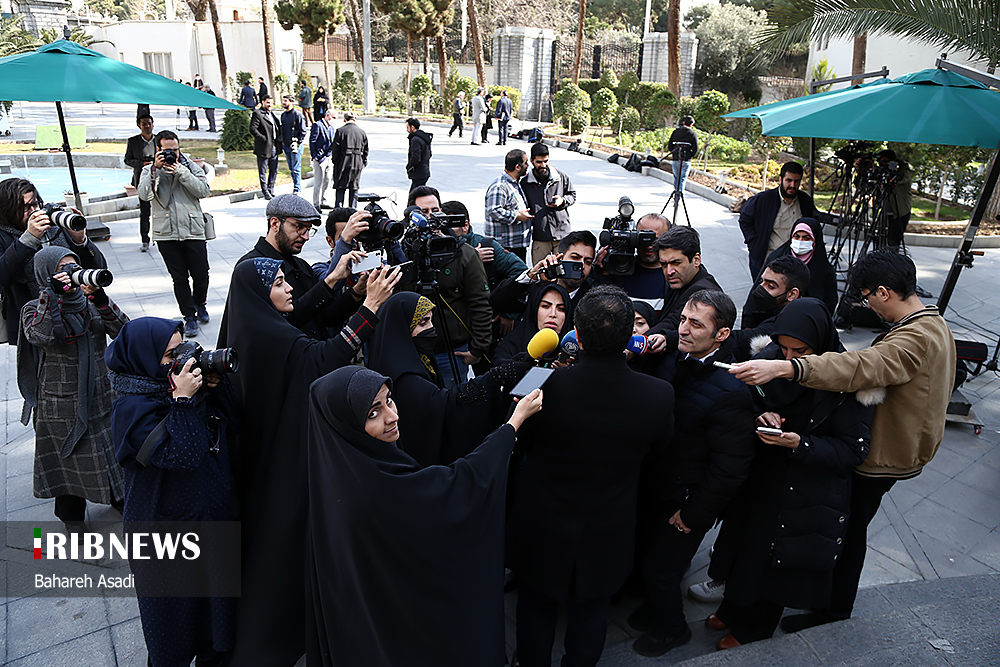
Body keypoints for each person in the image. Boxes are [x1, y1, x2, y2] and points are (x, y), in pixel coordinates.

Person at [731, 249, 956, 632]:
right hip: (904, 451)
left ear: (883, 292)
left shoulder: (914, 337)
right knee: (850, 532)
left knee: (845, 535)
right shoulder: (932, 322)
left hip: (882, 458)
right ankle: (831, 606)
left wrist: (788, 367)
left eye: (867, 297)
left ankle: (831, 612)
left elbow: (863, 367)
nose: (868, 306)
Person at [304, 366, 542, 667]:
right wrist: (513, 424)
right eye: (373, 413)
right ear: (346, 423)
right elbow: (456, 489)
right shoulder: (373, 488)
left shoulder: (339, 470)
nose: (392, 416)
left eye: (389, 400)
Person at [226, 257, 400, 666]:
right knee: (282, 545)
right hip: (282, 460)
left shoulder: (254, 324)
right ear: (259, 293)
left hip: (264, 451)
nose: (289, 288)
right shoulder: (267, 334)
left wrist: (346, 289)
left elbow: (301, 319)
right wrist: (371, 306)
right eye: (279, 283)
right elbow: (322, 359)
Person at [509, 285, 675, 667]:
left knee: (535, 607)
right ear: (629, 337)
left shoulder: (543, 385)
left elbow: (516, 439)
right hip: (608, 528)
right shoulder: (659, 395)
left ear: (577, 337)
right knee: (591, 613)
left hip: (542, 523)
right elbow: (659, 448)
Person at [705, 298, 872, 649]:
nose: (790, 358)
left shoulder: (846, 383)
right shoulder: (772, 358)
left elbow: (852, 450)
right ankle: (732, 608)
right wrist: (760, 414)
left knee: (774, 562)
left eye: (801, 351)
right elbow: (749, 396)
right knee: (745, 548)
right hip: (762, 477)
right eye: (784, 348)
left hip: (803, 489)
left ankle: (753, 629)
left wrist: (800, 444)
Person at [105, 317, 238, 667]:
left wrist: (215, 386)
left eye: (182, 349)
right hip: (164, 534)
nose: (180, 360)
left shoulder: (183, 391)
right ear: (143, 358)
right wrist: (182, 401)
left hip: (208, 523)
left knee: (214, 615)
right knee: (172, 626)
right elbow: (184, 456)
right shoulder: (131, 411)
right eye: (169, 355)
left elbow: (235, 423)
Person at [630, 290, 755, 658]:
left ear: (721, 334)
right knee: (649, 560)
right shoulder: (672, 355)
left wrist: (693, 515)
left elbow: (730, 468)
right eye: (683, 319)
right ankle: (655, 608)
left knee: (662, 570)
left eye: (696, 324)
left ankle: (673, 629)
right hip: (658, 484)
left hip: (686, 498)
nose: (683, 329)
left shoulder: (731, 390)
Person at [17, 247, 127, 531]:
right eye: (62, 268)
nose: (70, 273)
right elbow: (40, 336)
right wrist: (51, 296)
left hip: (101, 391)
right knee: (69, 458)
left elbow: (124, 331)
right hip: (61, 399)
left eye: (73, 266)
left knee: (109, 450)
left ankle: (119, 498)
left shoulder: (89, 302)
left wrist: (101, 300)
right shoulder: (34, 307)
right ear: (46, 274)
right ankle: (72, 519)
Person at [366, 291, 530, 467]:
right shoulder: (402, 374)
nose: (431, 328)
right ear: (402, 326)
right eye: (423, 322)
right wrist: (494, 377)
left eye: (431, 321)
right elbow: (441, 405)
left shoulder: (418, 357)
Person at [218, 194, 371, 343]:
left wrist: (357, 292)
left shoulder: (301, 266)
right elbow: (281, 323)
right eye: (299, 227)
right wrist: (331, 279)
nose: (306, 237)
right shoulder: (251, 268)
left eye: (308, 229)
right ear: (275, 224)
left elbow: (325, 318)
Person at [1, 178, 107, 347]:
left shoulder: (54, 227)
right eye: (25, 207)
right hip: (36, 324)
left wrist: (81, 241)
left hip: (78, 313)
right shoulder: (3, 236)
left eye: (35, 204)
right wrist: (29, 238)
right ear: (7, 209)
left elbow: (99, 269)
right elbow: (3, 275)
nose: (34, 211)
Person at [407, 186, 493, 386]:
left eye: (435, 210)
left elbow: (481, 304)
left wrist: (478, 349)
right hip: (411, 351)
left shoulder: (464, 253)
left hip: (450, 353)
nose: (430, 217)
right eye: (424, 212)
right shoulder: (405, 251)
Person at [138, 130, 211, 338]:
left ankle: (200, 303)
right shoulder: (149, 170)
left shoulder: (189, 166)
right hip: (166, 233)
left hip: (193, 229)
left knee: (201, 274)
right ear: (158, 150)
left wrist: (181, 172)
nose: (172, 154)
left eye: (175, 149)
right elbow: (144, 195)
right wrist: (155, 170)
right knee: (179, 278)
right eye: (167, 150)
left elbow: (204, 190)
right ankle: (189, 316)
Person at [489, 230, 596, 324]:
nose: (581, 266)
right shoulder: (538, 287)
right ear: (559, 257)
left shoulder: (592, 299)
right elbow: (496, 302)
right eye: (575, 258)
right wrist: (531, 275)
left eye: (588, 262)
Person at [645, 226, 723, 351]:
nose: (669, 272)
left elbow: (672, 322)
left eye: (676, 263)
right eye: (664, 264)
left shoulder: (704, 291)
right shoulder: (682, 280)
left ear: (696, 260)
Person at [739, 161, 816, 279]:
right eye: (788, 180)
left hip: (795, 262)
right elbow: (745, 219)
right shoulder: (763, 199)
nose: (792, 185)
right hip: (768, 260)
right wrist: (753, 242)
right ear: (780, 180)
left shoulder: (805, 201)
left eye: (796, 181)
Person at [761, 217, 837, 314]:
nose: (800, 241)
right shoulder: (776, 258)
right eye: (796, 237)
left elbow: (830, 302)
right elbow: (760, 291)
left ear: (815, 240)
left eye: (806, 238)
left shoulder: (824, 268)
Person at [597, 212, 670, 311]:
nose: (649, 246)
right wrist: (601, 273)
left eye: (655, 239)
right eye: (643, 238)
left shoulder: (673, 276)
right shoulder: (619, 269)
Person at [521, 142, 576, 265]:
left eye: (546, 161)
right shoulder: (525, 182)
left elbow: (572, 195)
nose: (543, 165)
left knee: (564, 270)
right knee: (539, 271)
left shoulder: (561, 177)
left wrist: (562, 201)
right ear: (532, 161)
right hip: (540, 236)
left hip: (562, 235)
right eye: (539, 162)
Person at [492, 282, 573, 365]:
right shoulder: (512, 344)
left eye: (561, 309)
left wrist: (567, 371)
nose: (553, 314)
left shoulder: (574, 349)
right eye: (545, 306)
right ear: (534, 310)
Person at [485, 149, 532, 260]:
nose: (528, 166)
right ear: (517, 167)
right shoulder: (500, 186)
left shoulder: (515, 183)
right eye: (525, 163)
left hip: (516, 245)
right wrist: (517, 216)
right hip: (504, 247)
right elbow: (493, 210)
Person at [124, 114, 157, 252]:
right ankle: (145, 239)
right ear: (139, 125)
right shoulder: (133, 141)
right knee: (145, 212)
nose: (147, 126)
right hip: (143, 180)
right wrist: (142, 164)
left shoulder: (159, 140)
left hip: (160, 179)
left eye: (149, 123)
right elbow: (127, 159)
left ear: (153, 124)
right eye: (144, 124)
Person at [332, 111, 368, 208]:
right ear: (355, 120)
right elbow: (366, 149)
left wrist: (335, 161)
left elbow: (335, 149)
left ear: (345, 119)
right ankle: (352, 209)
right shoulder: (362, 132)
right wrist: (363, 161)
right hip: (357, 161)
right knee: (354, 187)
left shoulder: (340, 131)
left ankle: (339, 210)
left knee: (341, 187)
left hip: (343, 161)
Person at [878, 149, 913, 248]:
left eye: (885, 161)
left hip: (900, 212)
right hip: (885, 211)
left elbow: (901, 179)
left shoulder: (903, 171)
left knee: (893, 241)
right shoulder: (881, 172)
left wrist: (892, 172)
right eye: (880, 161)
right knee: (880, 240)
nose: (883, 164)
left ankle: (893, 256)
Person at [249, 95, 281, 199]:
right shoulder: (258, 113)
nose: (270, 105)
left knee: (274, 169)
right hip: (264, 147)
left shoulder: (272, 114)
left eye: (271, 103)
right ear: (263, 102)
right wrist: (263, 138)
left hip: (274, 147)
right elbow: (253, 129)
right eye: (268, 103)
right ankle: (265, 191)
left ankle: (271, 189)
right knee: (263, 171)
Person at [309, 108, 336, 212]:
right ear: (327, 115)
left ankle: (324, 200)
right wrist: (315, 156)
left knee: (327, 180)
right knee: (318, 182)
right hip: (319, 158)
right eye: (333, 117)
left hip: (329, 157)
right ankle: (316, 203)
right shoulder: (318, 125)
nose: (334, 120)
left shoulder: (331, 128)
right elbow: (313, 141)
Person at [280, 94, 307, 193]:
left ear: (291, 102)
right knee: (291, 168)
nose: (283, 103)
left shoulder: (297, 115)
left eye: (286, 101)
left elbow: (303, 130)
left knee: (296, 168)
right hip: (286, 145)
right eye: (283, 101)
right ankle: (295, 185)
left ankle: (297, 189)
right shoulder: (283, 115)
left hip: (295, 145)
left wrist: (298, 142)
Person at [667, 115, 698, 195]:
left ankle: (676, 193)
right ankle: (680, 194)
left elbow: (670, 146)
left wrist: (674, 153)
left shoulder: (676, 132)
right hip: (686, 160)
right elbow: (695, 149)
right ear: (691, 125)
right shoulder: (693, 134)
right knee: (683, 178)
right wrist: (690, 156)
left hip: (676, 158)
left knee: (676, 178)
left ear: (684, 123)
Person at [405, 117, 433, 190]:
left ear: (412, 127)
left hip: (418, 172)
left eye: (407, 127)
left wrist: (409, 166)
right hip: (424, 171)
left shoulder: (415, 139)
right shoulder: (424, 137)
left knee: (414, 194)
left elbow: (415, 156)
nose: (407, 130)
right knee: (418, 193)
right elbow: (429, 154)